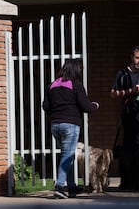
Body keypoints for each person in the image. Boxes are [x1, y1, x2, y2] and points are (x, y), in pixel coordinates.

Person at [43, 59, 100, 199]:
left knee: (67, 154)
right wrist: (95, 106)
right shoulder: (76, 85)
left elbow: (45, 106)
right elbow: (86, 106)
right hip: (70, 125)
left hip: (55, 126)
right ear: (76, 70)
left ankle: (72, 186)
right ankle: (60, 186)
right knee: (67, 155)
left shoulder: (52, 85)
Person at [110, 45, 139, 191]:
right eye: (137, 58)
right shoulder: (123, 74)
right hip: (127, 117)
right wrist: (131, 91)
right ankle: (126, 182)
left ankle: (137, 180)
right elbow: (113, 93)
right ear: (131, 57)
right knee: (127, 151)